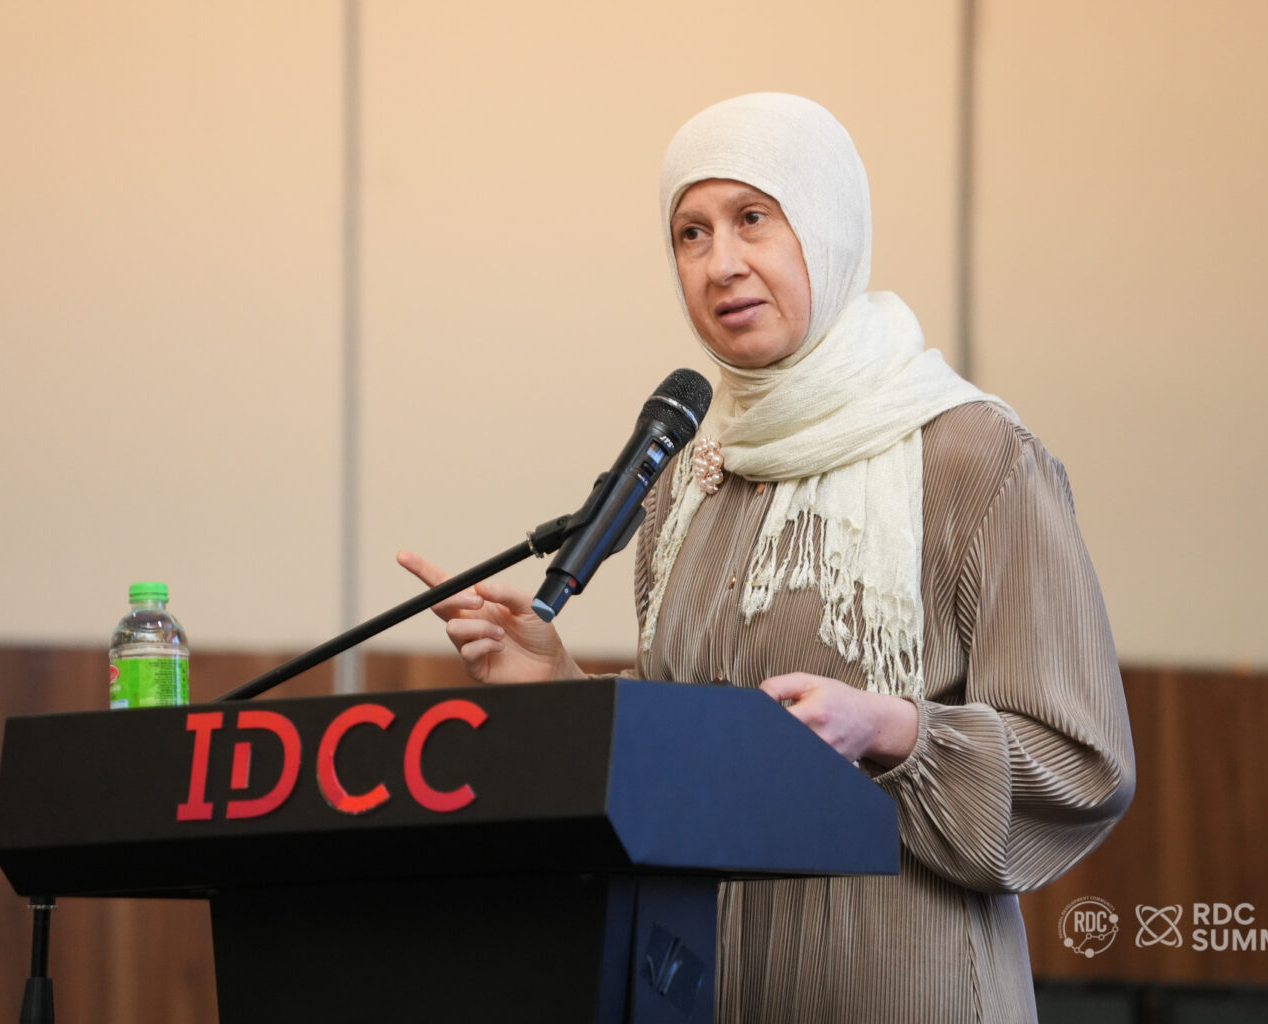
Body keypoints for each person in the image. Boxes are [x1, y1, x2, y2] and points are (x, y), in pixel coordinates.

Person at [399, 92, 1134, 1023]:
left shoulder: (973, 456)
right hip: (703, 988)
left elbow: (1081, 763)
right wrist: (561, 686)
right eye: (691, 234)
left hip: (903, 989)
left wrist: (893, 730)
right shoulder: (688, 475)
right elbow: (692, 738)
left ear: (826, 227)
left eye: (753, 218)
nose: (722, 264)